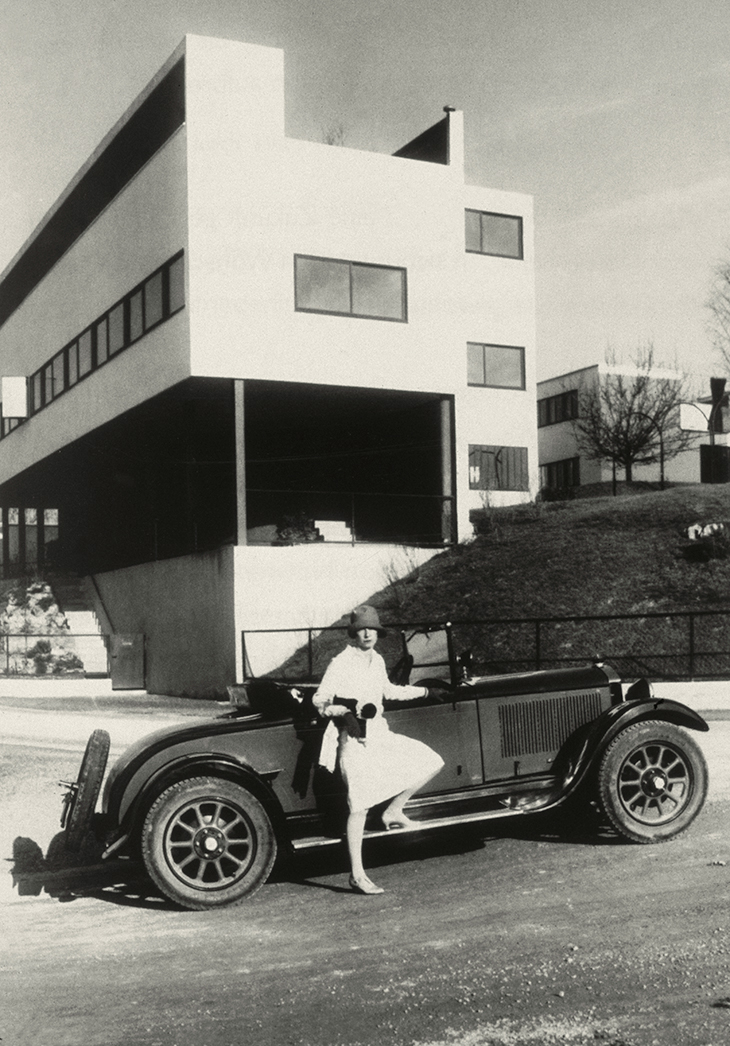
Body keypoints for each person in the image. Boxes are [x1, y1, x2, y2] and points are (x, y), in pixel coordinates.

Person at [313, 605, 446, 895]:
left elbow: (389, 691)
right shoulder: (341, 661)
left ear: (378, 633)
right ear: (354, 633)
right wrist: (342, 708)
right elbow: (319, 700)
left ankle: (393, 811)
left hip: (379, 733)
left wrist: (426, 691)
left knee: (431, 760)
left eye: (372, 629)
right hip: (353, 739)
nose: (367, 634)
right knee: (358, 805)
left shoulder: (377, 659)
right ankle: (357, 874)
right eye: (362, 629)